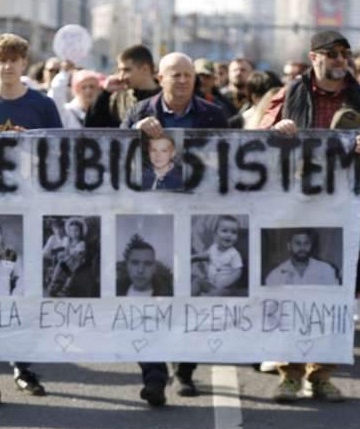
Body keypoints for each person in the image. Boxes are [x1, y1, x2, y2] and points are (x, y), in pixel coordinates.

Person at [260, 30, 360, 402]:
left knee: (335, 291)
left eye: (345, 54)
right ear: (314, 57)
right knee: (292, 291)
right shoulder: (290, 93)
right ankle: (289, 372)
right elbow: (258, 136)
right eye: (332, 53)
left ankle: (321, 373)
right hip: (295, 209)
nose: (340, 60)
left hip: (345, 213)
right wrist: (278, 129)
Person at [0, 33, 59, 406]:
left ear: (24, 63)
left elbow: (60, 153)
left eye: (14, 58)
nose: (7, 65)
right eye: (1, 59)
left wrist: (29, 143)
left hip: (29, 208)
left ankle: (23, 363)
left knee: (24, 291)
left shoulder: (42, 105)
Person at [125, 51, 227, 404]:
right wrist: (134, 134)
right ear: (159, 77)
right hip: (151, 223)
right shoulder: (140, 113)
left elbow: (230, 163)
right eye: (175, 75)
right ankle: (153, 375)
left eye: (188, 74)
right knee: (150, 299)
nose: (183, 80)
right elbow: (114, 157)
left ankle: (184, 369)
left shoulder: (213, 115)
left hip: (196, 224)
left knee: (192, 297)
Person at [85, 44, 160, 128]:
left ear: (145, 69)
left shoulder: (164, 97)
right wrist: (105, 94)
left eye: (126, 70)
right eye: (119, 70)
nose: (121, 76)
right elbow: (92, 128)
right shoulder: (117, 97)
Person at [264, 229, 340, 286]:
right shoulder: (275, 275)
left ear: (311, 245)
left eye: (306, 243)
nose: (302, 248)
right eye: (298, 243)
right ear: (289, 246)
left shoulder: (326, 270)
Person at [192, 215, 244, 296]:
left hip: (226, 289)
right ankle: (188, 297)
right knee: (197, 282)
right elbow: (208, 254)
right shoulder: (214, 247)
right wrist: (196, 257)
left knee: (214, 294)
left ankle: (204, 302)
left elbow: (238, 272)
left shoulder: (234, 254)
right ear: (216, 234)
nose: (229, 235)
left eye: (234, 232)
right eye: (225, 231)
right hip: (211, 284)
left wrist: (226, 282)